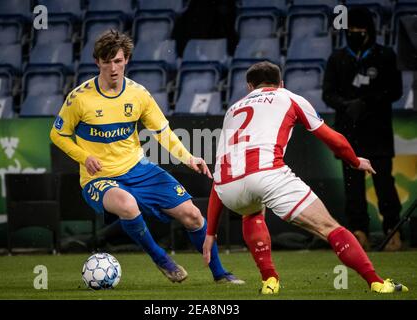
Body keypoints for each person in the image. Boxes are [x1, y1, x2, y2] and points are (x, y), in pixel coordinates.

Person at [50, 30, 244, 285]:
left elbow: (162, 131)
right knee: (128, 205)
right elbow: (58, 134)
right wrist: (84, 156)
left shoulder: (138, 94)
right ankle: (161, 258)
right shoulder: (80, 98)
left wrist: (187, 157)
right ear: (97, 62)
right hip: (99, 177)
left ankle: (220, 274)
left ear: (126, 59)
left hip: (138, 169)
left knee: (193, 215)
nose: (112, 68)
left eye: (117, 61)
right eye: (106, 61)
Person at [202, 61, 408, 294]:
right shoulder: (289, 97)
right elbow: (333, 138)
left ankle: (269, 281)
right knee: (329, 227)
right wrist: (354, 161)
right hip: (267, 175)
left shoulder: (231, 110)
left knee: (251, 212)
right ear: (281, 83)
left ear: (250, 86)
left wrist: (210, 233)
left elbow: (219, 174)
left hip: (228, 189)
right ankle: (377, 283)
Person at [322, 7, 403, 251]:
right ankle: (359, 231)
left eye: (359, 30)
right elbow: (328, 94)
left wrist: (366, 102)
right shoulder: (337, 59)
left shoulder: (385, 55)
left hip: (378, 131)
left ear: (369, 31)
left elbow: (395, 90)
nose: (354, 34)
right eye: (351, 30)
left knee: (384, 184)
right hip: (348, 132)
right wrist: (346, 105)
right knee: (352, 186)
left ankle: (392, 230)